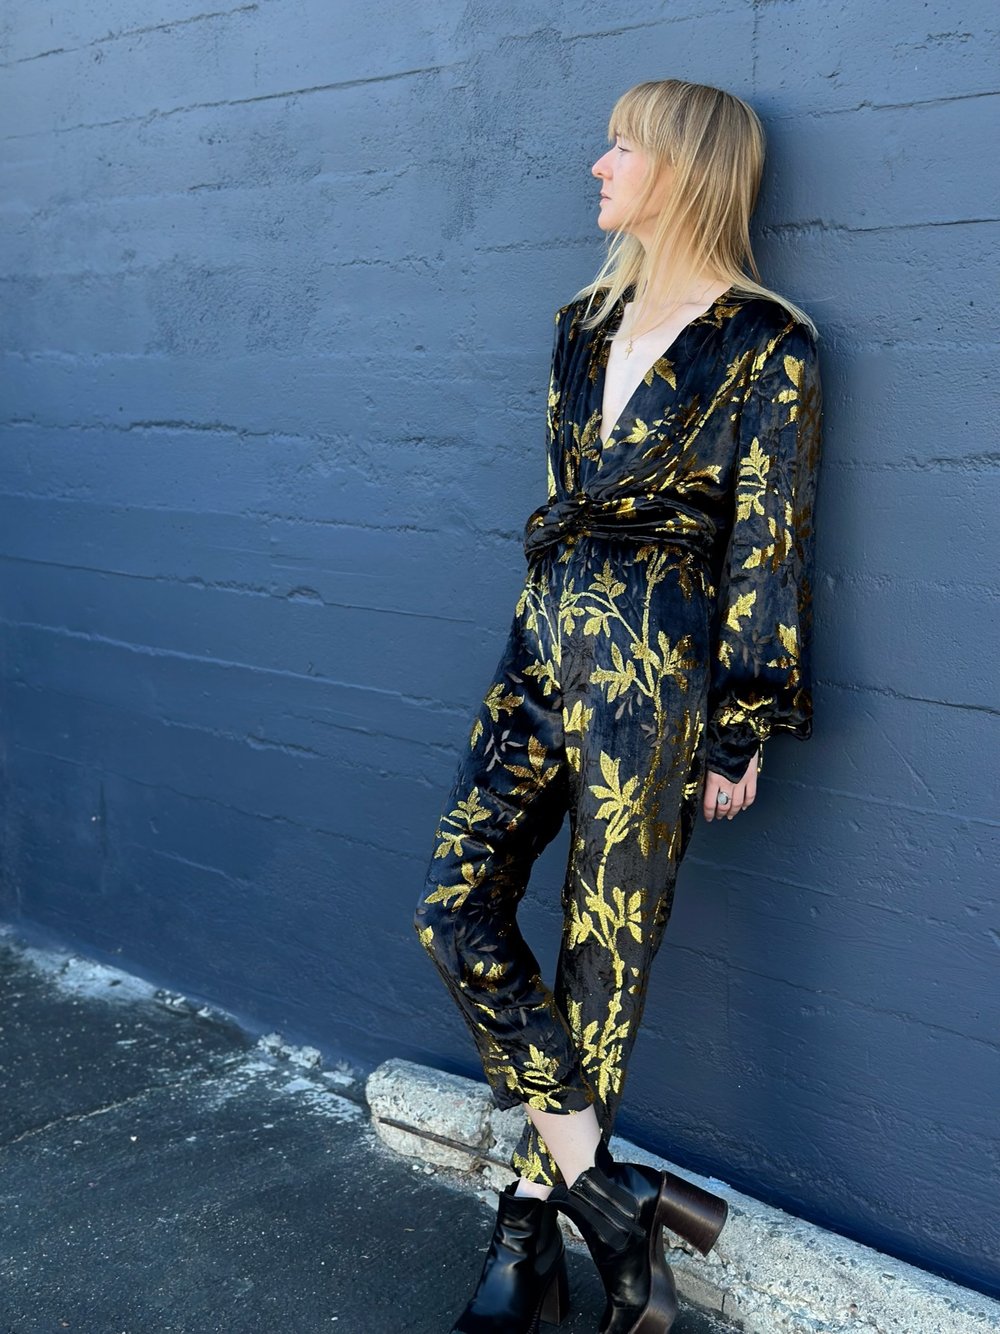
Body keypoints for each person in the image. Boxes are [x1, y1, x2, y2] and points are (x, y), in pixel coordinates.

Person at [412, 77, 823, 1334]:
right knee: (454, 905)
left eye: (622, 147)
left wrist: (744, 717)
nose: (597, 166)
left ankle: (528, 1231)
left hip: (660, 671)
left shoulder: (767, 346)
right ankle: (608, 1191)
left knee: (605, 963)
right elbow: (560, 499)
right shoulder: (581, 325)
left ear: (683, 168)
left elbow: (770, 543)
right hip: (540, 649)